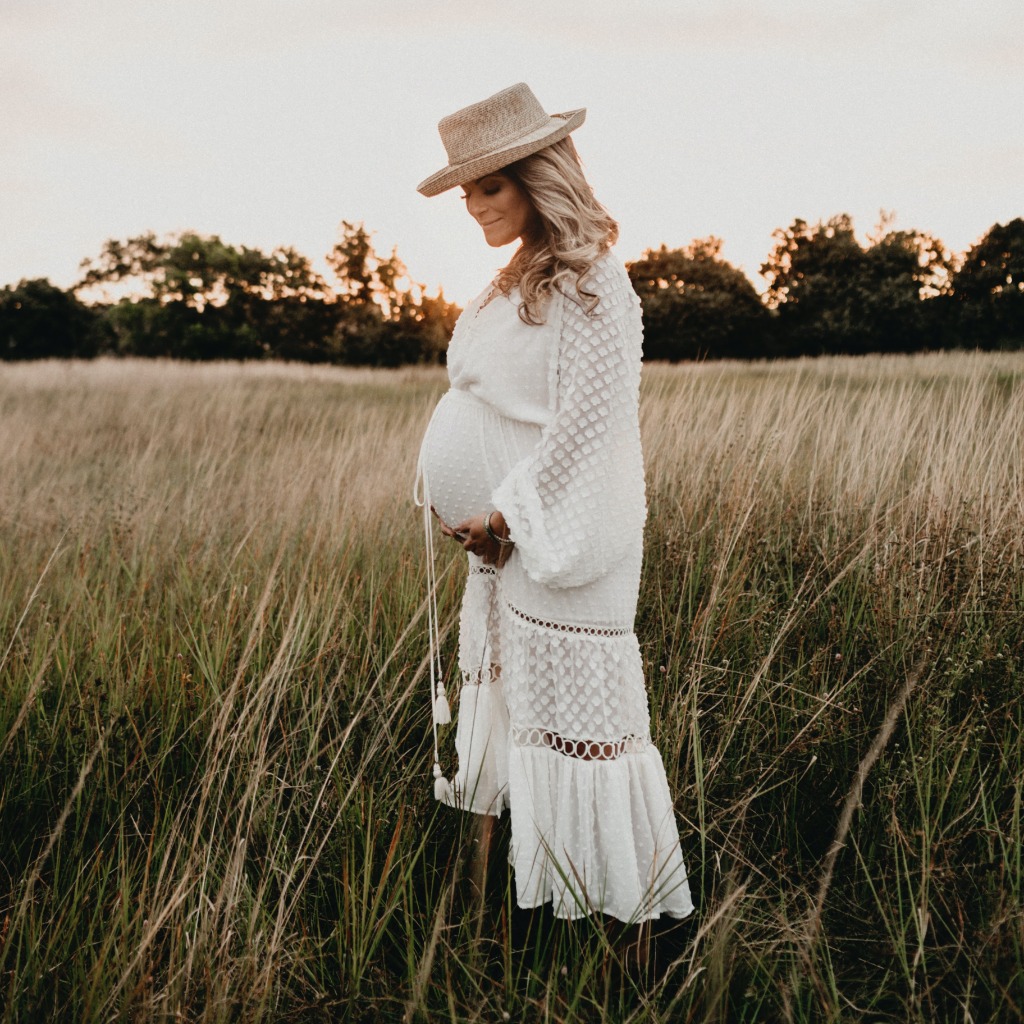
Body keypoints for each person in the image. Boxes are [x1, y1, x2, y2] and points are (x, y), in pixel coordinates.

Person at [414, 82, 694, 926]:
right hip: (503, 556)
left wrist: (502, 518)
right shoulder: (510, 281)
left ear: (540, 176)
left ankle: (627, 939)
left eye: (487, 184)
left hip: (559, 543)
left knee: (589, 739)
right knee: (507, 726)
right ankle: (494, 932)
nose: (472, 204)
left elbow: (589, 431)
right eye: (466, 188)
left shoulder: (597, 285)